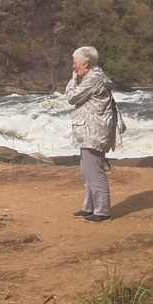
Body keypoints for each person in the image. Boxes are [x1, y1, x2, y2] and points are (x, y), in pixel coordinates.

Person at [65, 46, 117, 222]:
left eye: (76, 62)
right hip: (90, 131)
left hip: (93, 132)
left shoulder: (93, 79)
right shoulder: (93, 78)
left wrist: (73, 81)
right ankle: (89, 207)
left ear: (86, 63)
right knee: (87, 172)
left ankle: (102, 211)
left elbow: (72, 98)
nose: (74, 66)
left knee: (94, 172)